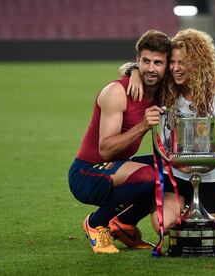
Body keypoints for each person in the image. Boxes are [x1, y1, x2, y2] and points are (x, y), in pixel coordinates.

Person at [122, 29, 215, 234]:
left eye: (182, 62)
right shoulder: (165, 86)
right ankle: (180, 210)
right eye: (172, 62)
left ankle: (213, 213)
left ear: (198, 62)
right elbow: (125, 67)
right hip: (174, 171)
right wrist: (135, 72)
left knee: (201, 230)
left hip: (207, 173)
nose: (175, 68)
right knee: (164, 226)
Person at [68, 30, 172, 254]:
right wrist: (143, 125)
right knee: (148, 176)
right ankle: (96, 224)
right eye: (145, 61)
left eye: (157, 62)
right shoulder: (117, 91)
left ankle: (124, 224)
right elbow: (105, 150)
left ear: (167, 66)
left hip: (119, 168)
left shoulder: (161, 91)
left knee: (172, 169)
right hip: (87, 174)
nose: (151, 68)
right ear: (137, 61)